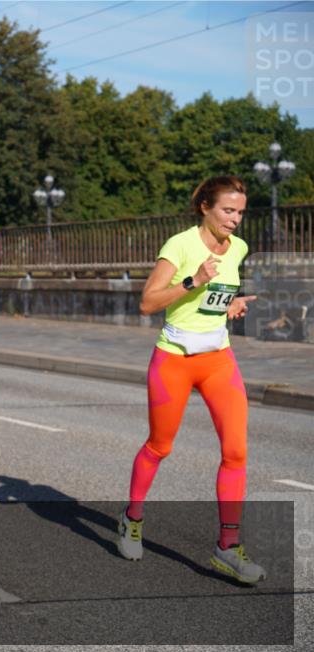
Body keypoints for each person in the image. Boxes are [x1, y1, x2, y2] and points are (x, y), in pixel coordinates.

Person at [118, 175, 264, 584]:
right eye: (227, 211)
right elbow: (148, 302)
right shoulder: (180, 245)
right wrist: (193, 280)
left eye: (240, 212)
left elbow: (213, 298)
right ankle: (131, 518)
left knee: (236, 452)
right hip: (175, 360)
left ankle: (227, 549)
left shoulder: (238, 248)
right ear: (205, 207)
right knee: (159, 446)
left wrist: (229, 303)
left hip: (219, 359)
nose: (235, 220)